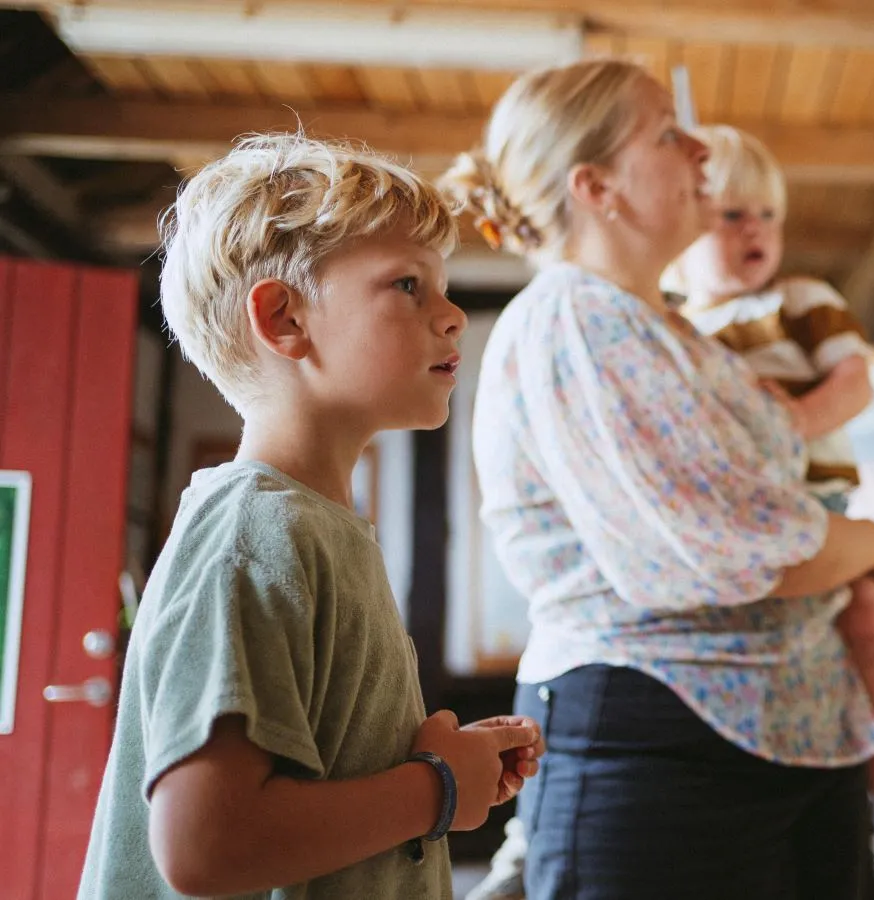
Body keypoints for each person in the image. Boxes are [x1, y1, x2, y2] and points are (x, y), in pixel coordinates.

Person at [442, 59, 874, 900]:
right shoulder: (577, 316)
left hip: (791, 737)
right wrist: (867, 543)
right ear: (596, 187)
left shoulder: (667, 330)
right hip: (663, 747)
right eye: (665, 131)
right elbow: (719, 546)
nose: (701, 148)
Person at [78, 133, 543, 900]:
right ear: (284, 319)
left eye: (444, 285)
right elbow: (206, 845)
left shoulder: (317, 529)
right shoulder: (257, 532)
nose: (453, 315)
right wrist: (435, 789)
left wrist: (432, 767)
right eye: (407, 286)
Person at [675, 124, 874, 900]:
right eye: (731, 215)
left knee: (868, 620)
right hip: (732, 518)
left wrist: (792, 421)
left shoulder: (801, 300)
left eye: (767, 214)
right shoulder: (675, 330)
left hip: (815, 501)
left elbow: (857, 382)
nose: (755, 229)